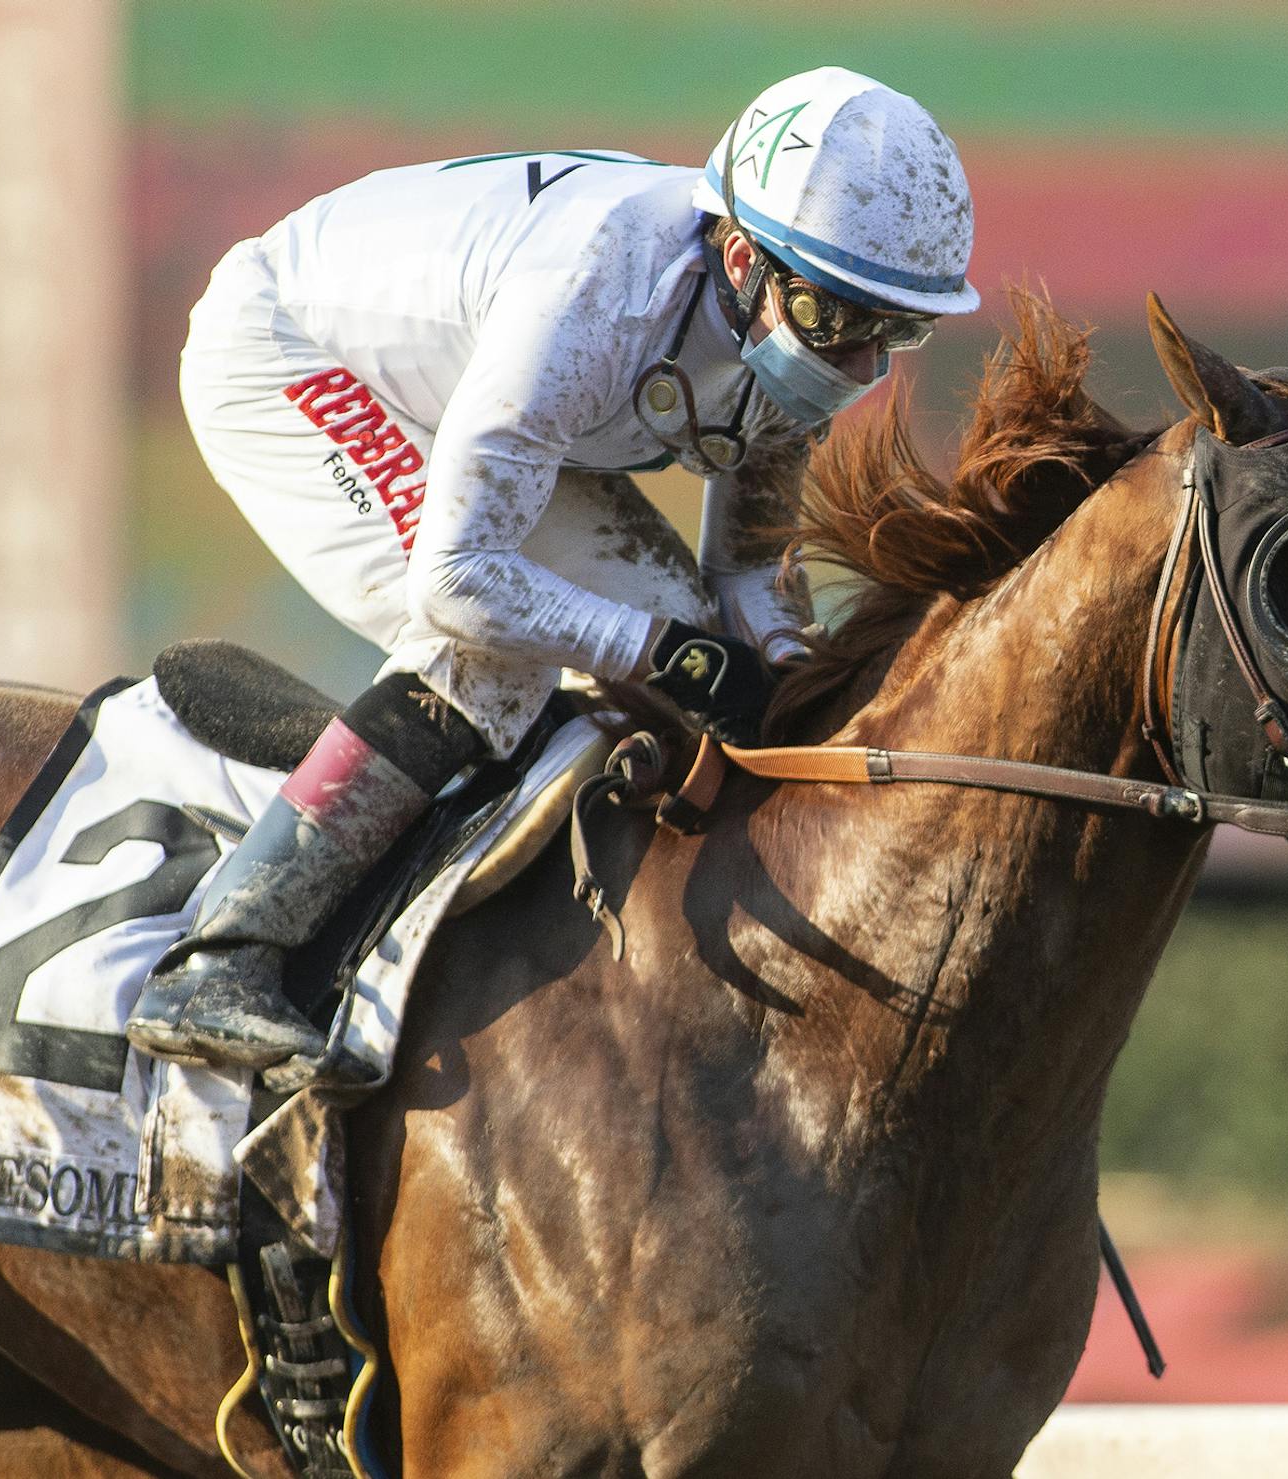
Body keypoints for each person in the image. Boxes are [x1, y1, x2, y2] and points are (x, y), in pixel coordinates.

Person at [127, 66, 982, 1073]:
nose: (858, 369)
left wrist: (816, 698)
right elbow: (459, 579)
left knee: (678, 627)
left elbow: (748, 576)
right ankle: (223, 955)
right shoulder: (597, 293)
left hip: (468, 390)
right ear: (744, 257)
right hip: (290, 351)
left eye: (895, 330)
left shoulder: (776, 316)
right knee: (488, 654)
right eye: (839, 323)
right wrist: (665, 655)